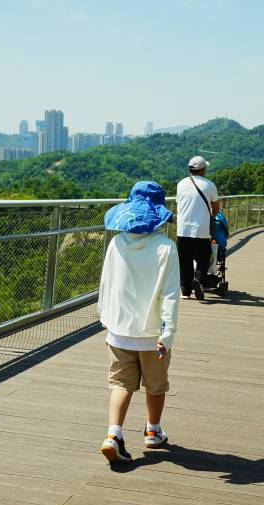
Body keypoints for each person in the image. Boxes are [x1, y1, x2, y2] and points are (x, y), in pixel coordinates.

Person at [98, 181, 180, 463]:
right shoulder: (166, 248)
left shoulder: (116, 243)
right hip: (152, 335)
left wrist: (106, 317)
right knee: (156, 386)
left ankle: (113, 435)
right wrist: (167, 334)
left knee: (120, 384)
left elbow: (107, 283)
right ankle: (153, 431)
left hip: (119, 330)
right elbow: (171, 295)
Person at [176, 155, 219, 300]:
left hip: (183, 229)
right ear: (203, 169)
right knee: (203, 259)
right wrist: (211, 216)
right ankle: (198, 280)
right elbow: (216, 207)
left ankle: (185, 291)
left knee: (184, 261)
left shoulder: (181, 184)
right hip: (201, 229)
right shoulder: (210, 185)